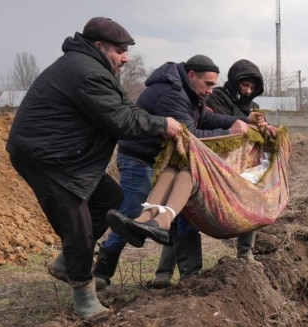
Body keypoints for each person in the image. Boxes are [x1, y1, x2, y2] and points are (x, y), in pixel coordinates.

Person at [6, 17, 182, 321]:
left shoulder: (95, 69)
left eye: (126, 50)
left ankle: (65, 263)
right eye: (119, 50)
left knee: (109, 199)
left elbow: (125, 109)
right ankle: (84, 298)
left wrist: (155, 121)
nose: (125, 57)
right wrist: (161, 124)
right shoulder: (86, 72)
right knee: (78, 224)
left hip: (68, 157)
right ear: (99, 46)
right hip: (47, 158)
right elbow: (119, 121)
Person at [94, 55, 264, 289]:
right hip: (140, 158)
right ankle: (101, 272)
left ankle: (189, 275)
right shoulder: (173, 95)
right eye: (208, 84)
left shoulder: (190, 94)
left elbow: (207, 117)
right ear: (192, 76)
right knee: (131, 214)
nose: (211, 90)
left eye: (214, 85)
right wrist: (232, 133)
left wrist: (240, 120)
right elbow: (190, 137)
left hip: (166, 160)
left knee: (183, 214)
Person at [206, 59, 273, 262]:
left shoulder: (253, 106)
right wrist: (247, 120)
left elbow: (257, 134)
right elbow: (219, 121)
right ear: (235, 82)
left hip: (243, 165)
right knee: (190, 215)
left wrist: (263, 127)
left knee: (251, 199)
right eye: (245, 85)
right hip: (214, 163)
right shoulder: (217, 97)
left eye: (252, 87)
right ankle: (167, 271)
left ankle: (245, 252)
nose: (248, 90)